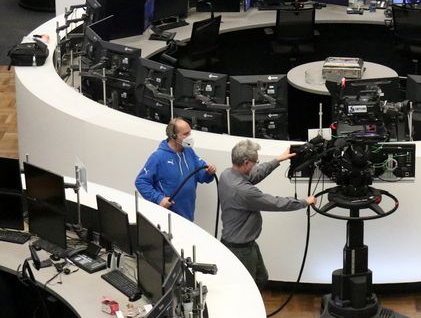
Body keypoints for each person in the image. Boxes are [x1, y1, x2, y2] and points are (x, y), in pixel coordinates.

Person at [219, 139, 315, 289]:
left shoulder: (227, 175)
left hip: (241, 243)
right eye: (255, 162)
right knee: (249, 288)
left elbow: (255, 175)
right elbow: (275, 203)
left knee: (261, 278)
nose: (257, 165)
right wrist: (304, 202)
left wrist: (278, 160)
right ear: (246, 163)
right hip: (240, 248)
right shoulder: (244, 191)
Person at [135, 117, 217, 222]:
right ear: (174, 136)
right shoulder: (158, 157)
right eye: (185, 134)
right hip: (167, 218)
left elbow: (201, 175)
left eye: (190, 133)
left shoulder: (189, 152)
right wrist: (159, 199)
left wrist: (208, 172)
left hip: (188, 216)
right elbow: (141, 181)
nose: (189, 137)